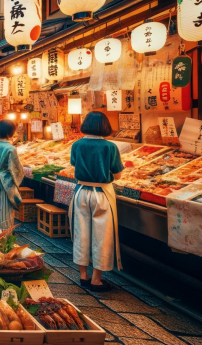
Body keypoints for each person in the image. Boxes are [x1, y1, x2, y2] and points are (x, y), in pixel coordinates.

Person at [70, 112, 124, 292]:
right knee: (102, 236)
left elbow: (74, 165)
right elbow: (117, 175)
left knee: (81, 233)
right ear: (105, 126)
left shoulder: (77, 145)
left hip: (81, 192)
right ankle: (96, 280)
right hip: (102, 193)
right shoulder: (110, 147)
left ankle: (83, 276)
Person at [0, 120, 23, 230]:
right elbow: (16, 169)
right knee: (5, 210)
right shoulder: (10, 148)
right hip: (5, 183)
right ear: (10, 132)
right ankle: (4, 234)